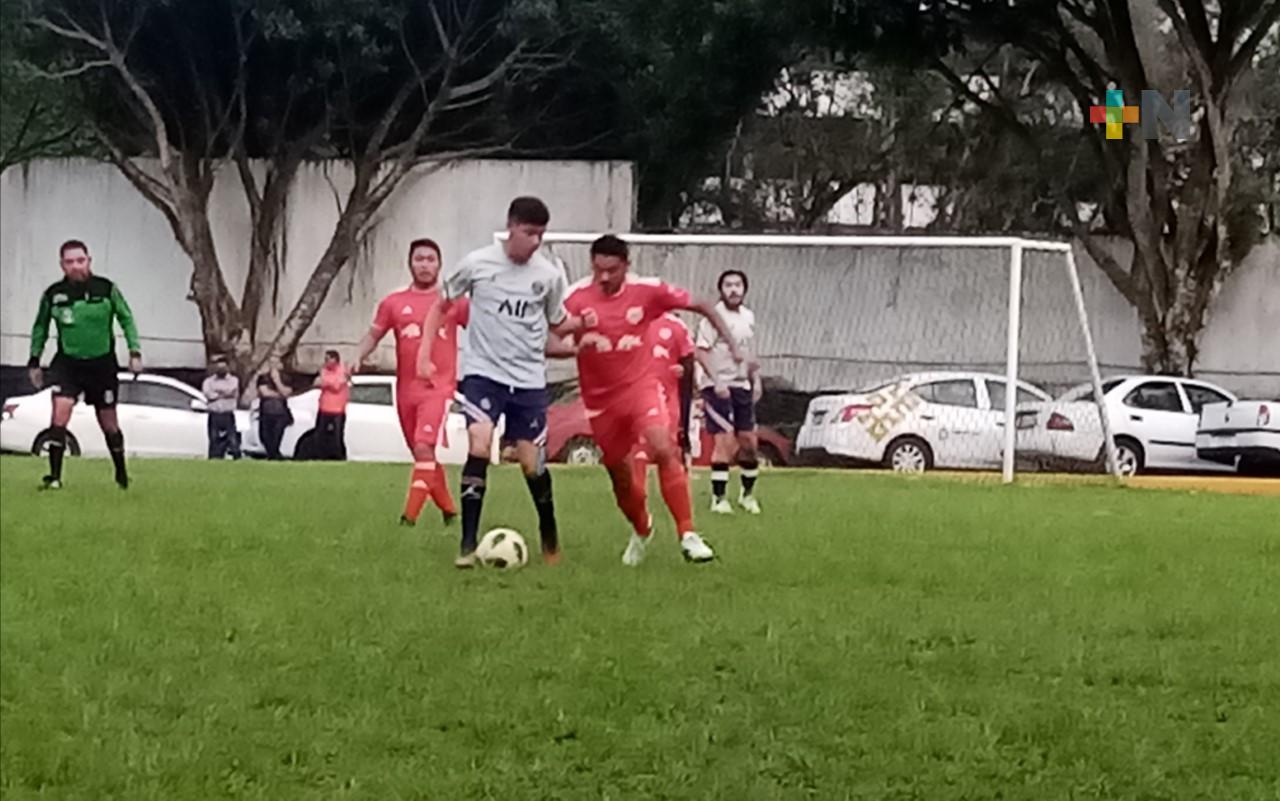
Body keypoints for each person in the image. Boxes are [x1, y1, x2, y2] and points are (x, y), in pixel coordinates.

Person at [561, 234, 744, 566]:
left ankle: (688, 533)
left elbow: (702, 305)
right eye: (598, 269)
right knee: (621, 480)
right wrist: (577, 341)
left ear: (626, 266)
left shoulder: (648, 290)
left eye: (611, 270)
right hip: (601, 400)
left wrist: (731, 344)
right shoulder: (574, 298)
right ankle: (642, 527)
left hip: (640, 387)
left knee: (662, 447)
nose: (604, 277)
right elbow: (548, 339)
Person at [417, 196, 578, 569]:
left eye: (540, 235)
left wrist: (585, 333)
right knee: (480, 440)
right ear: (511, 226)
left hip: (528, 379)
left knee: (531, 464)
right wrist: (424, 353)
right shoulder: (477, 264)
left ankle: (549, 533)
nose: (535, 241)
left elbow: (557, 325)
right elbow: (440, 305)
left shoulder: (548, 276)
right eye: (528, 233)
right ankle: (468, 543)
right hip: (483, 373)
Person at [354, 238, 469, 525]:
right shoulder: (394, 303)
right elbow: (373, 335)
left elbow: (482, 328)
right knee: (422, 454)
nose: (425, 264)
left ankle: (409, 517)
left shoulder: (453, 302)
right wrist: (356, 357)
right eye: (420, 259)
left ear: (440, 264)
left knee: (423, 447)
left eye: (431, 259)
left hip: (437, 387)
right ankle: (449, 512)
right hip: (405, 389)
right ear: (410, 263)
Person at [27, 239, 141, 489]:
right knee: (59, 415)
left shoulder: (106, 289)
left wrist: (135, 352)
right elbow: (40, 327)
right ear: (62, 265)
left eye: (80, 260)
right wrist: (34, 361)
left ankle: (121, 474)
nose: (76, 266)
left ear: (89, 261)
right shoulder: (54, 295)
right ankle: (55, 477)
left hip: (102, 365)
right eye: (70, 262)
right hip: (68, 365)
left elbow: (126, 318)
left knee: (109, 423)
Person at [697, 268, 762, 515]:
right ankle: (719, 499)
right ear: (721, 289)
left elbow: (749, 352)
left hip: (741, 385)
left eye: (737, 285)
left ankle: (747, 495)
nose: (733, 290)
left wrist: (755, 379)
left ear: (744, 289)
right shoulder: (712, 319)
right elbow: (701, 351)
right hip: (718, 387)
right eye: (728, 285)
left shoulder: (748, 317)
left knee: (749, 442)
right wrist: (716, 381)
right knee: (724, 440)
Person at [630, 312, 697, 490]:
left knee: (669, 444)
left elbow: (688, 360)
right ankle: (636, 492)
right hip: (640, 394)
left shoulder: (676, 325)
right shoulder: (633, 323)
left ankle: (677, 490)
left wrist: (683, 370)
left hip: (668, 397)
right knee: (639, 444)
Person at [202, 356, 242, 460]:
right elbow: (209, 394)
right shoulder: (208, 381)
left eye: (223, 366)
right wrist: (224, 394)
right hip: (214, 414)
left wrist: (217, 393)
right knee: (214, 438)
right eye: (219, 366)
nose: (221, 369)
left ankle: (236, 458)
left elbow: (231, 391)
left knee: (232, 439)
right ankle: (214, 458)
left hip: (227, 415)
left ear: (228, 367)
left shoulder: (234, 380)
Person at [314, 350, 351, 460]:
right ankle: (321, 456)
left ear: (335, 360)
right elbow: (318, 382)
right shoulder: (324, 370)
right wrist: (328, 381)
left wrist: (326, 382)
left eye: (327, 359)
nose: (325, 362)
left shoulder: (342, 370)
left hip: (338, 409)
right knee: (320, 435)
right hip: (324, 407)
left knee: (337, 436)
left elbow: (337, 386)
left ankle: (339, 457)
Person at [256, 361, 291, 460]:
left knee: (276, 438)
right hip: (266, 412)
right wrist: (279, 395)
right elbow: (264, 393)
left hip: (280, 413)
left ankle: (274, 457)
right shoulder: (263, 378)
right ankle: (273, 456)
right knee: (265, 437)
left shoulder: (286, 378)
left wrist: (277, 381)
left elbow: (286, 392)